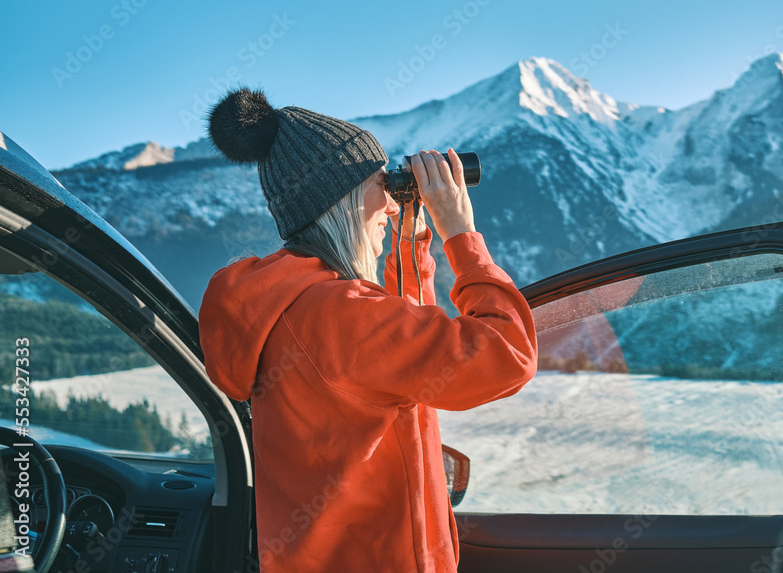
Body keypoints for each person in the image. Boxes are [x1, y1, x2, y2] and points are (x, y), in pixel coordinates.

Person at [198, 87, 538, 572]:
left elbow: (393, 338)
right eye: (385, 187)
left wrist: (411, 242)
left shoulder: (289, 303)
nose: (395, 206)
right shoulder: (338, 315)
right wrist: (461, 236)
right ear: (344, 200)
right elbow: (506, 355)